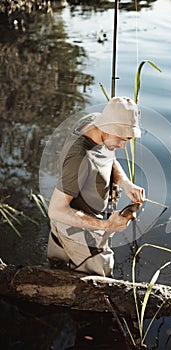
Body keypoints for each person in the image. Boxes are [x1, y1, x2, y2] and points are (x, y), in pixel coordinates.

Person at [47, 96, 145, 277]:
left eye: (128, 139)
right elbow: (55, 210)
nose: (123, 146)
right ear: (107, 128)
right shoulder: (79, 158)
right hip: (80, 231)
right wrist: (106, 225)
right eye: (121, 138)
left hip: (79, 225)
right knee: (103, 284)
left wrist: (126, 183)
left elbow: (108, 156)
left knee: (56, 271)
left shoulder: (94, 122)